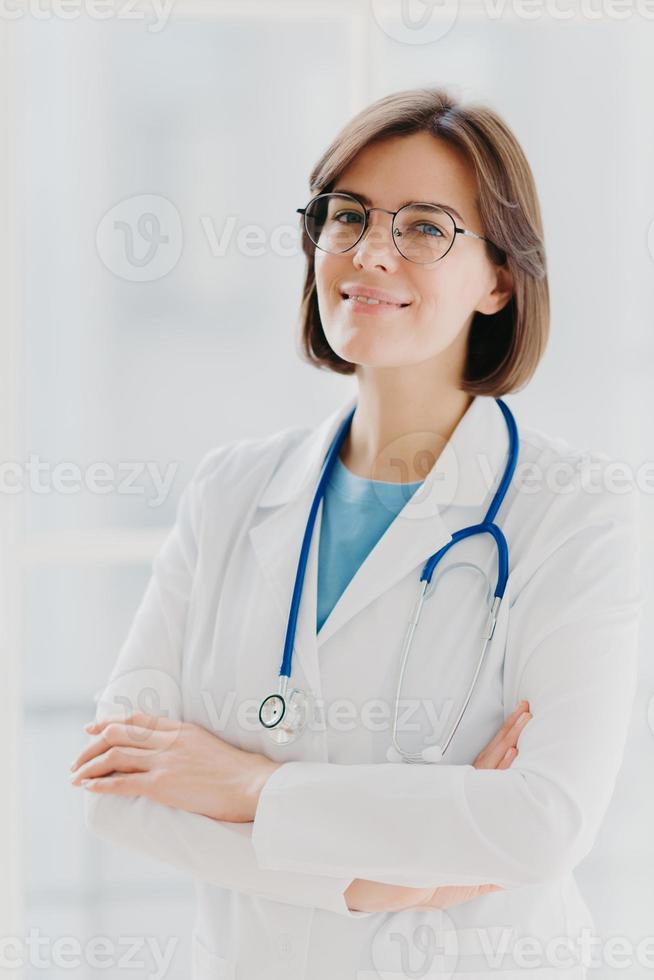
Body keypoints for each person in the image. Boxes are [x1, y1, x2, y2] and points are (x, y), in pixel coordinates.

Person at [69, 87, 642, 980]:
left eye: (423, 228)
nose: (371, 252)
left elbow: (539, 824)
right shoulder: (229, 491)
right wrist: (368, 883)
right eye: (348, 217)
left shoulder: (576, 512)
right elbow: (116, 791)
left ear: (499, 278)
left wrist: (251, 789)